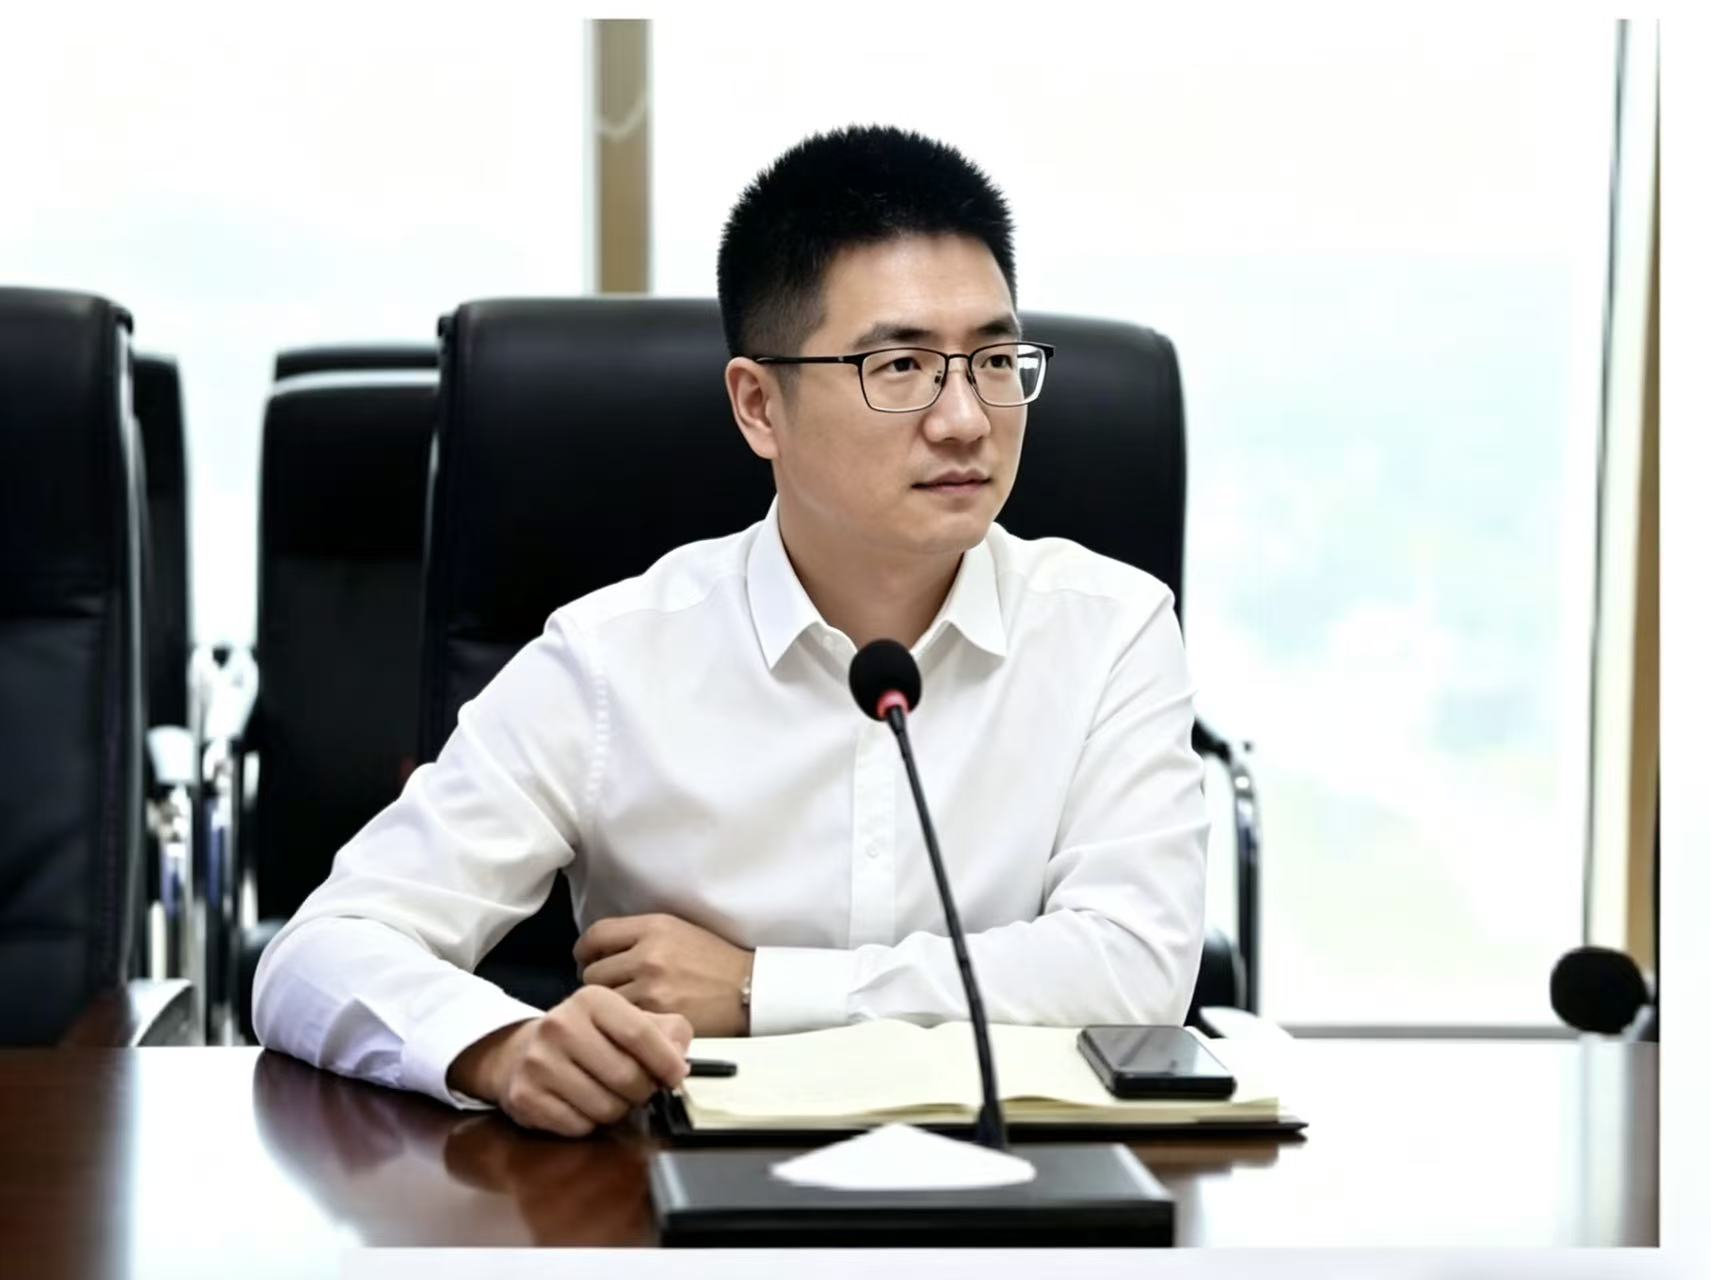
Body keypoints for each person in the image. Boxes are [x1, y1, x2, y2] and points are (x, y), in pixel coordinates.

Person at [253, 125, 1209, 1138]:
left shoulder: (1112, 629)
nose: (967, 418)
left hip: (1021, 1186)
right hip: (679, 1187)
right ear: (759, 405)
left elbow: (1135, 971)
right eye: (900, 365)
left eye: (994, 359)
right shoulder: (613, 660)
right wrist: (499, 1046)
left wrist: (761, 988)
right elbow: (319, 951)